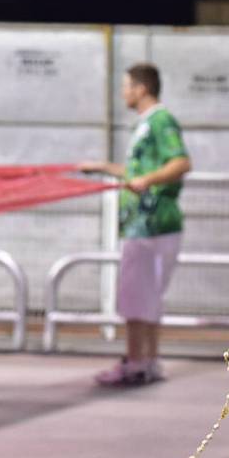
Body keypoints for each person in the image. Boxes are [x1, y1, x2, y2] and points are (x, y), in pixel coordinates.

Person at [81, 63, 191, 386]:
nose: (123, 92)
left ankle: (135, 361)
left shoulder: (160, 121)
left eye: (127, 86)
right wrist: (104, 167)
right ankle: (149, 359)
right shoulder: (146, 124)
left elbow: (181, 161)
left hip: (148, 224)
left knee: (134, 294)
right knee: (149, 295)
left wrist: (148, 180)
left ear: (142, 88)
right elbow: (139, 172)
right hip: (149, 223)